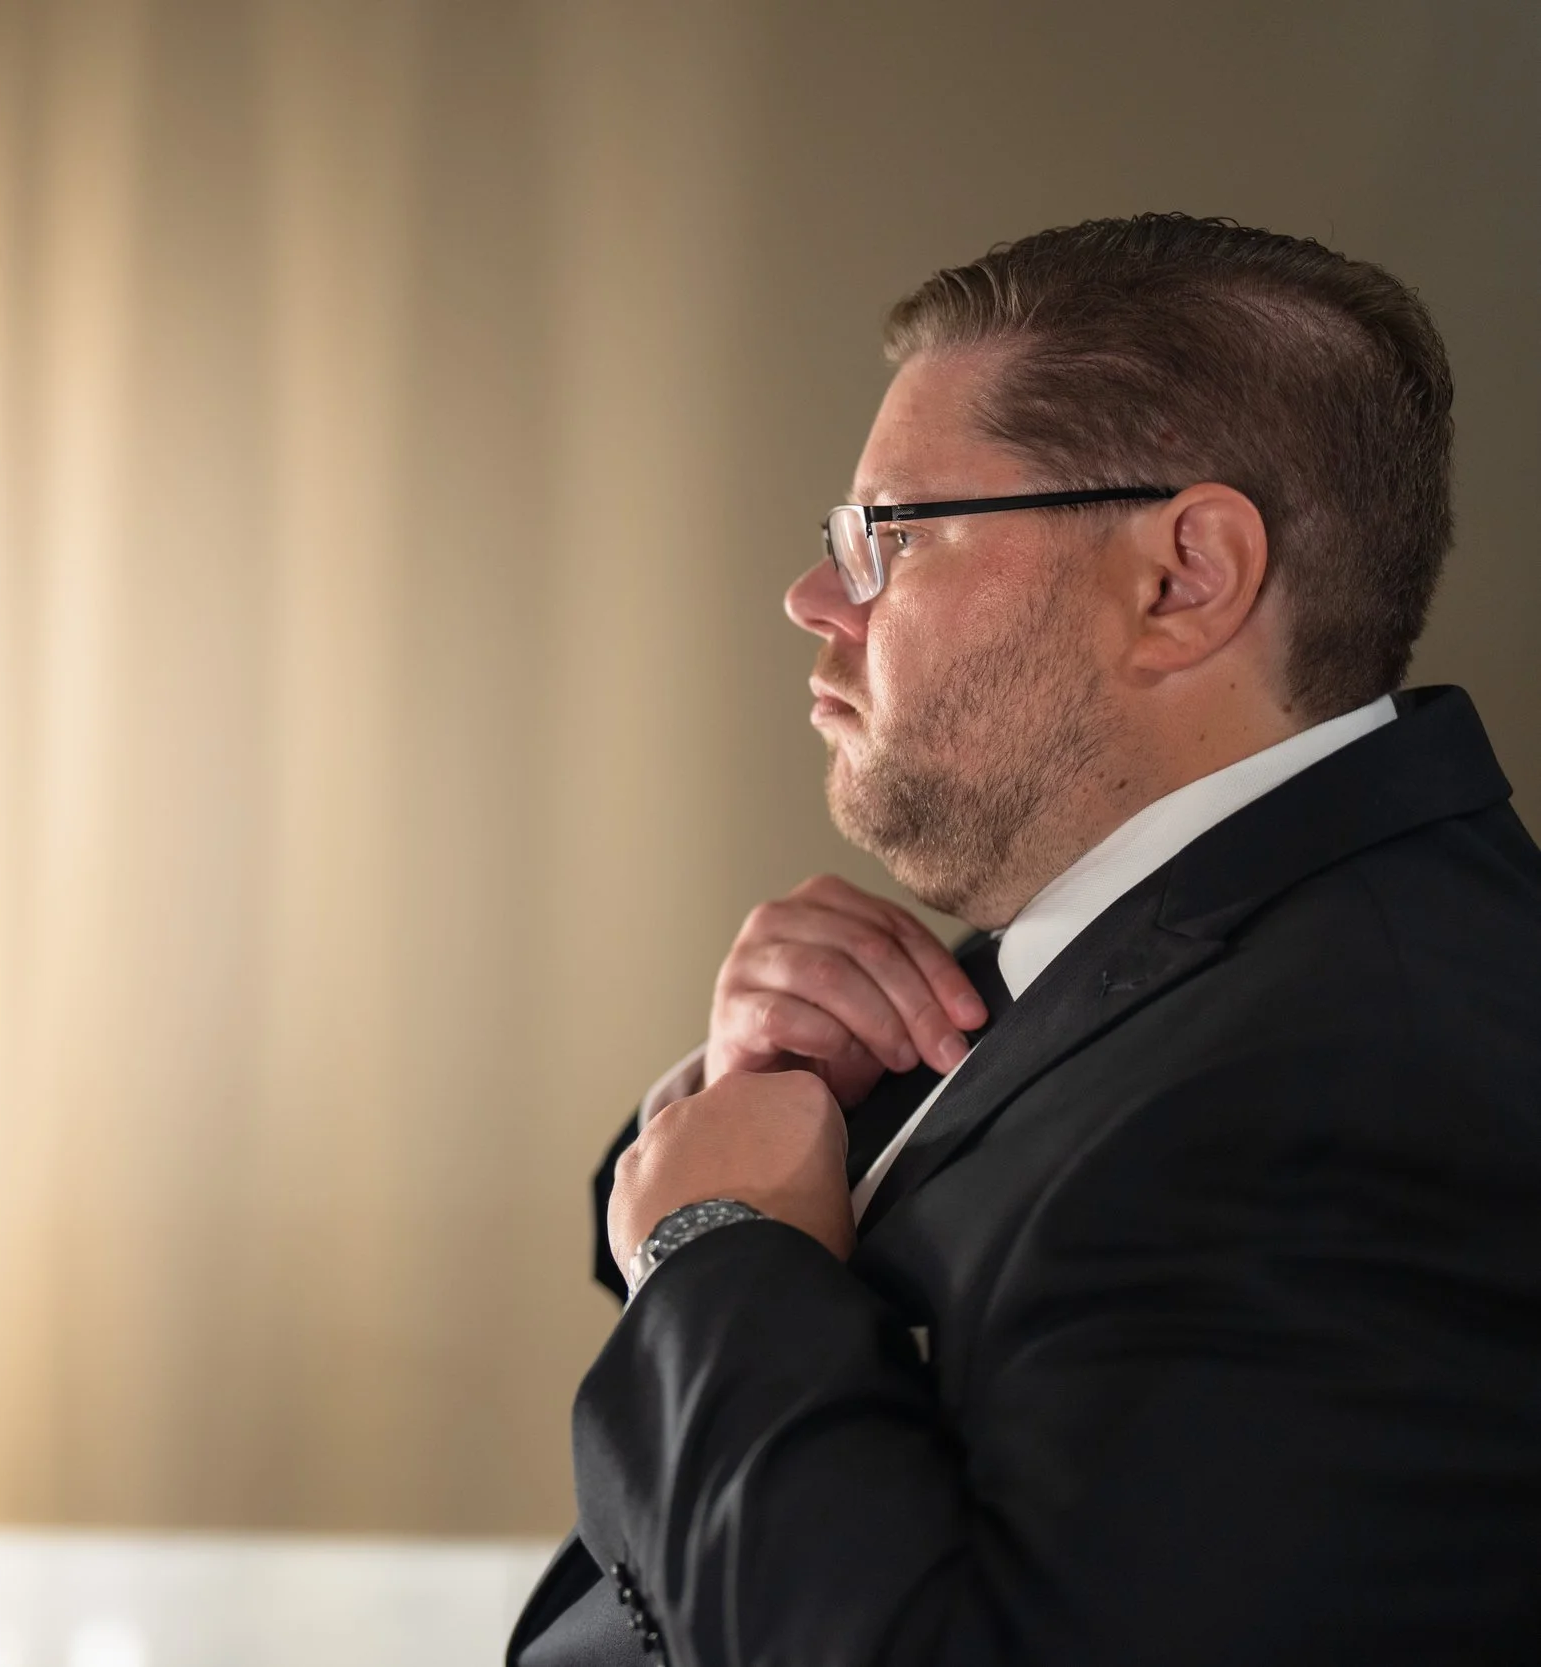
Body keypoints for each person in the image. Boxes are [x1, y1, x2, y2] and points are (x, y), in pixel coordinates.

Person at [508, 214, 1541, 1666]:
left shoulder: (1367, 1079)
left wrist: (716, 1247)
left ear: (1184, 577)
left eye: (889, 535)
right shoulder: (1189, 942)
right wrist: (763, 1102)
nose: (815, 600)